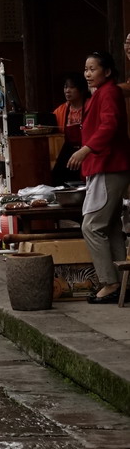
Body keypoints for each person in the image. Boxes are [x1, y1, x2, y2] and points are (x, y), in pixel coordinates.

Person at [68, 50, 130, 304]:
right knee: (111, 226)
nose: (88, 74)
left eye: (93, 69)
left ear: (107, 71)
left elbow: (109, 125)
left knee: (91, 226)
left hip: (108, 165)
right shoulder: (101, 93)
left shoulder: (109, 92)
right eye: (86, 69)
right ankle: (123, 284)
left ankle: (110, 282)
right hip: (106, 165)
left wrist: (86, 149)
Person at [51, 72, 89, 185]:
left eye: (72, 87)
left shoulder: (90, 106)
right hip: (67, 153)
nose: (67, 91)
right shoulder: (61, 110)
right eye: (65, 87)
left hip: (87, 151)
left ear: (81, 90)